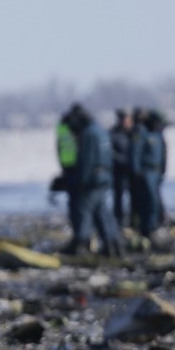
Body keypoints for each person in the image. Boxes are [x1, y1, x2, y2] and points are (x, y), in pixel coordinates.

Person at [61, 105, 123, 257]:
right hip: (104, 178)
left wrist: (81, 181)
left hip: (92, 180)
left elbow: (86, 161)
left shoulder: (89, 134)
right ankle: (112, 245)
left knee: (84, 211)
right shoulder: (101, 131)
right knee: (102, 212)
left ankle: (81, 245)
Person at [130, 109, 167, 240]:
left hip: (156, 172)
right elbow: (136, 153)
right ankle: (148, 228)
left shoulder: (158, 134)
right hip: (146, 172)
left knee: (155, 202)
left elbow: (162, 155)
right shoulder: (142, 132)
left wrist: (163, 170)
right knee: (149, 201)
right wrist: (137, 171)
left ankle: (154, 225)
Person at [110, 109, 134, 227]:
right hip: (118, 172)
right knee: (118, 198)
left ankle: (132, 221)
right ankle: (118, 222)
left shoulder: (134, 133)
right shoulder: (113, 134)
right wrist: (122, 160)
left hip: (132, 172)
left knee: (134, 198)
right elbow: (110, 153)